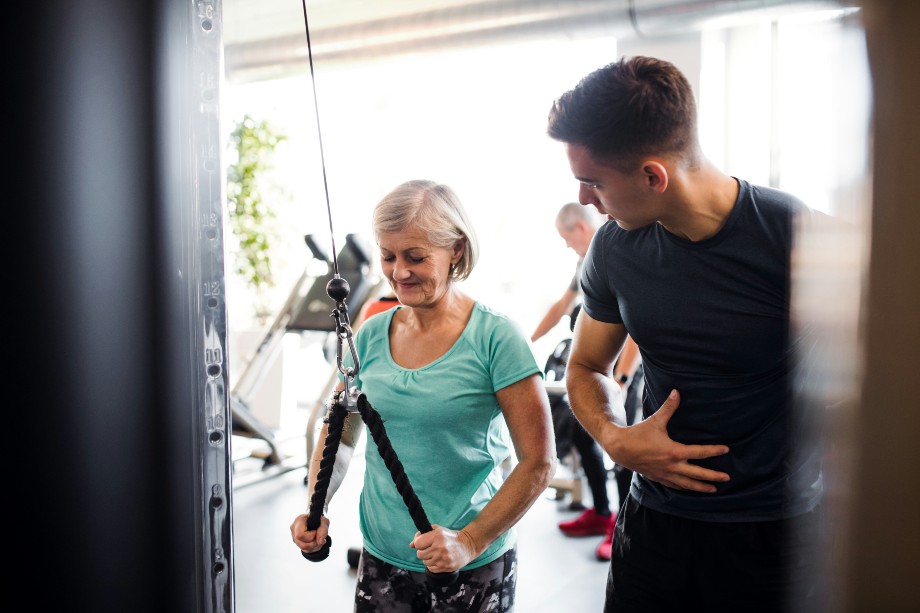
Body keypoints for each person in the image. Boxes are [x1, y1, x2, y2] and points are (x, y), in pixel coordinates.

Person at [546, 56, 824, 612]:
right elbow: (585, 368)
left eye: (593, 182)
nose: (583, 199)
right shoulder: (614, 248)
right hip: (654, 523)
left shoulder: (795, 237)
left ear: (653, 176)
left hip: (774, 530)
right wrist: (613, 436)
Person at [291, 179, 556, 612]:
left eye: (415, 257)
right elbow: (343, 432)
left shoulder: (497, 338)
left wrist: (469, 541)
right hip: (382, 553)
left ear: (456, 249)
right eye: (388, 256)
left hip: (470, 561)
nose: (398, 272)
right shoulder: (372, 333)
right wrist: (315, 505)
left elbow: (539, 463)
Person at [531, 202, 643, 561]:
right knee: (582, 429)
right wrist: (525, 342)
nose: (566, 245)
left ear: (580, 227)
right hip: (600, 367)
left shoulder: (621, 250)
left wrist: (622, 378)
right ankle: (601, 511)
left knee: (626, 445)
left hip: (627, 367)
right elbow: (562, 305)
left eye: (566, 237)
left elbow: (634, 328)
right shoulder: (588, 261)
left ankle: (622, 528)